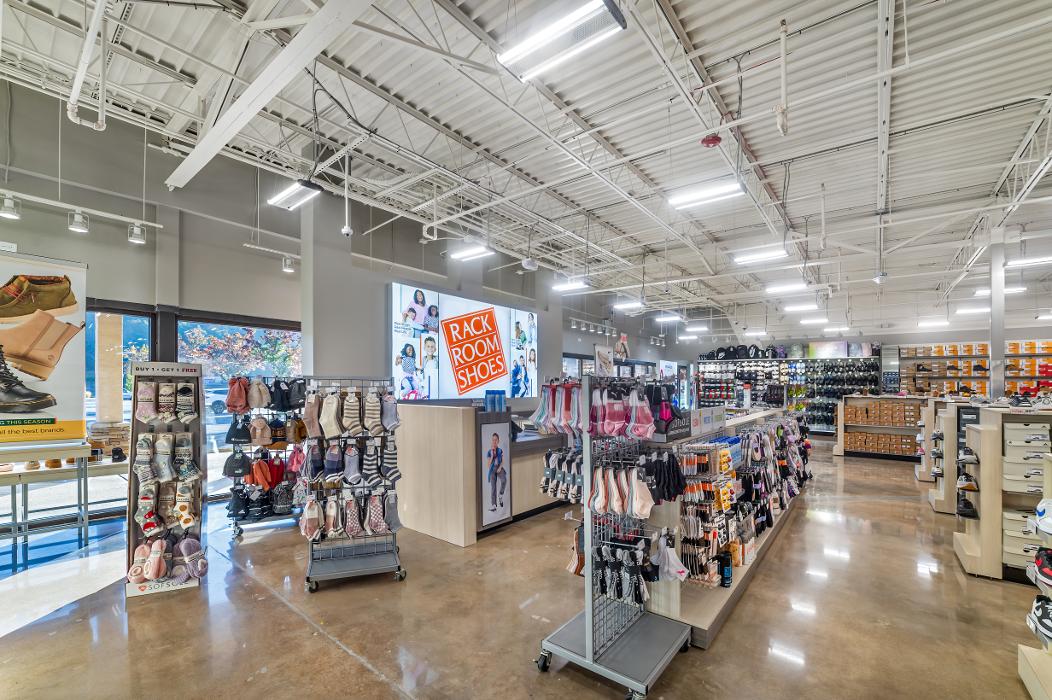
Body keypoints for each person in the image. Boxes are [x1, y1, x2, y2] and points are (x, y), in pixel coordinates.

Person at [486, 432, 506, 512]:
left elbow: (502, 461)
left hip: (499, 467)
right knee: (493, 487)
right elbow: (488, 465)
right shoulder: (489, 452)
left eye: (496, 440)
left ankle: (500, 495)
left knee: (504, 480)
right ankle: (494, 505)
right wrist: (491, 455)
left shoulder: (500, 451)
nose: (494, 441)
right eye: (493, 440)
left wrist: (500, 467)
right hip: (492, 469)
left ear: (498, 441)